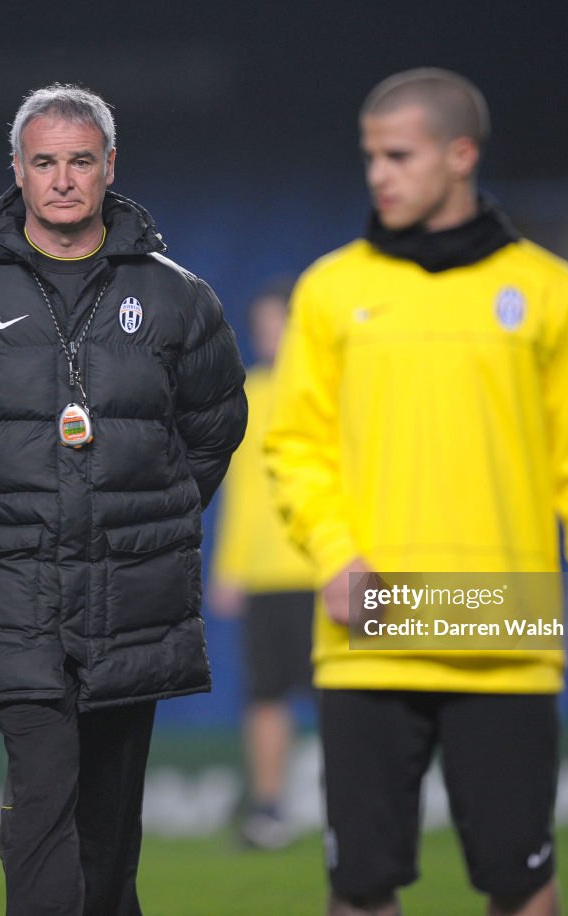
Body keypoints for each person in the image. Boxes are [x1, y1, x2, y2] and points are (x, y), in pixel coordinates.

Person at [263, 68, 568, 916]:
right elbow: (295, 448)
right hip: (373, 624)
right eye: (370, 157)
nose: (378, 174)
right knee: (358, 889)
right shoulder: (331, 291)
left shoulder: (553, 294)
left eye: (399, 155)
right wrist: (335, 551)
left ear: (461, 155)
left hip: (505, 625)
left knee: (522, 885)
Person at [0, 83, 247, 916]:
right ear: (17, 170)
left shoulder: (181, 297)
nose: (64, 179)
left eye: (82, 160)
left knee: (111, 832)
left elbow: (216, 430)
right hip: (14, 601)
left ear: (111, 167)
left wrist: (143, 523)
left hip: (129, 597)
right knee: (42, 801)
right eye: (45, 162)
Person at [208, 277, 315, 849]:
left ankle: (358, 807)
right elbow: (241, 491)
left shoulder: (334, 389)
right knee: (266, 697)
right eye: (267, 324)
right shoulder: (244, 394)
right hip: (267, 576)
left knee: (352, 698)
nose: (276, 334)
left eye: (284, 322)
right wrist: (229, 568)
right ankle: (270, 810)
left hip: (332, 570)